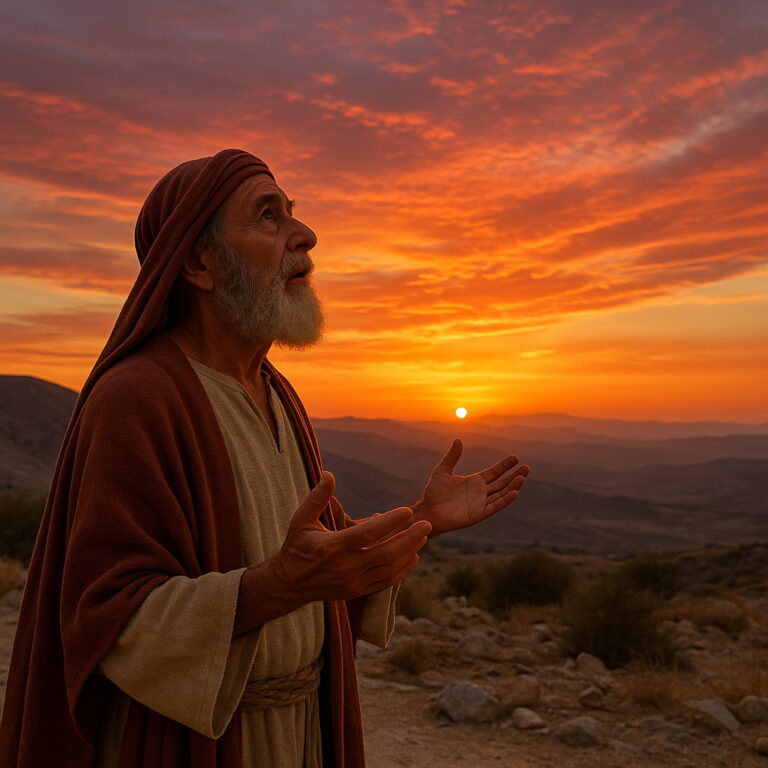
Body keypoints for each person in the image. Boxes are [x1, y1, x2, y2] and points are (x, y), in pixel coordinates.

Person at [0, 149, 529, 768]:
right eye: (269, 216)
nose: (305, 236)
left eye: (293, 214)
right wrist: (276, 588)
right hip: (196, 744)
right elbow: (105, 613)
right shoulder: (136, 398)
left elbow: (314, 560)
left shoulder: (276, 392)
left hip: (302, 729)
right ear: (200, 263)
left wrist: (421, 519)